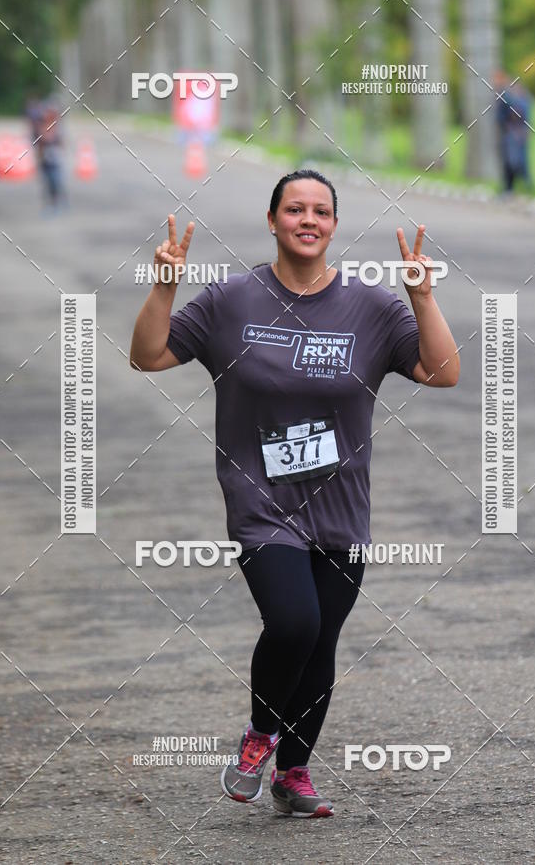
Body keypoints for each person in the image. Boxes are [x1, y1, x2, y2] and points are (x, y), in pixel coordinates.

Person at [129, 169, 459, 818]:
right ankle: (259, 738)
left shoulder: (371, 307)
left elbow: (443, 372)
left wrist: (421, 297)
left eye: (321, 211)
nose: (308, 220)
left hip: (341, 509)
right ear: (273, 220)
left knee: (321, 643)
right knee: (294, 623)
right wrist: (165, 287)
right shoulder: (231, 302)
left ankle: (294, 774)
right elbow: (149, 356)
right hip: (261, 506)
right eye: (294, 209)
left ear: (333, 225)